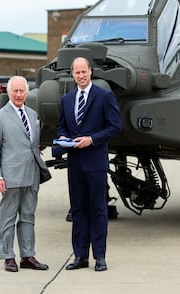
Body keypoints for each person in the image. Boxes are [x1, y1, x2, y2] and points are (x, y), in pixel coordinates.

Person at [57, 57, 122, 271]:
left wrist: (92, 139)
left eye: (84, 72)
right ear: (72, 74)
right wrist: (63, 139)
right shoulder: (66, 100)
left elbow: (115, 127)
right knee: (78, 210)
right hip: (75, 164)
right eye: (77, 73)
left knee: (98, 209)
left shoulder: (104, 96)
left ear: (90, 72)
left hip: (95, 163)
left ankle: (100, 257)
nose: (81, 76)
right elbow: (62, 128)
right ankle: (80, 256)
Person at [0, 75, 49, 272]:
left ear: (27, 92)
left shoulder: (32, 114)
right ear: (8, 92)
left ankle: (28, 255)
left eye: (22, 91)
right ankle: (7, 256)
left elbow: (30, 143)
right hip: (10, 177)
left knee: (28, 217)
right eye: (15, 91)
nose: (19, 94)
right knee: (7, 217)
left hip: (31, 175)